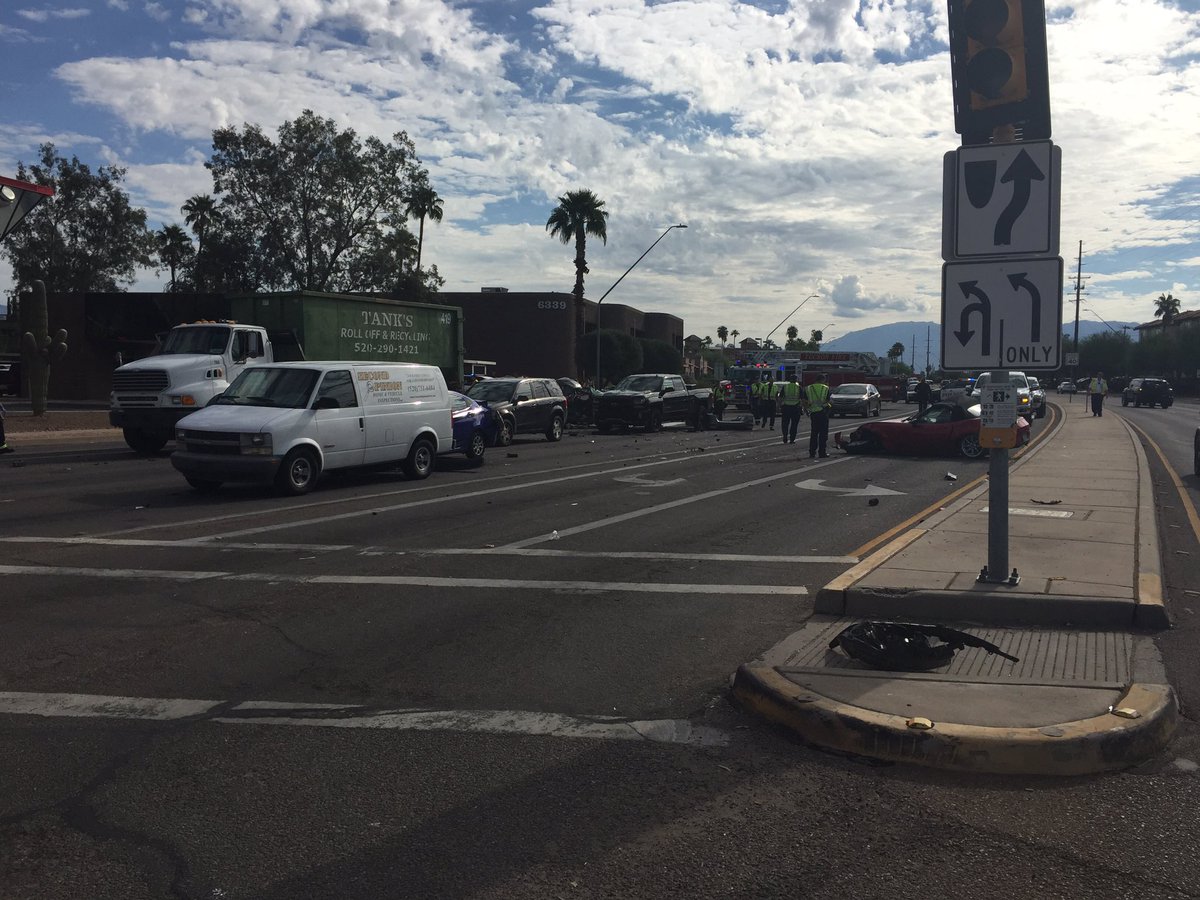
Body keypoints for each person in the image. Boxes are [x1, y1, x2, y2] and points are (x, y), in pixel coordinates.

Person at [804, 373, 831, 458]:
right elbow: (828, 401)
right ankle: (822, 452)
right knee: (823, 434)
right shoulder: (825, 388)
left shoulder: (808, 388)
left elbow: (805, 401)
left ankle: (812, 453)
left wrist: (807, 410)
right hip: (823, 413)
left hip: (813, 413)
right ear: (823, 380)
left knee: (814, 434)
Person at [777, 374, 804, 444]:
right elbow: (802, 399)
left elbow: (780, 398)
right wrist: (802, 407)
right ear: (796, 380)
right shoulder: (799, 387)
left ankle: (785, 436)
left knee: (785, 423)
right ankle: (792, 439)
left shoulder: (785, 387)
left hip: (786, 407)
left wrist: (779, 406)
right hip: (795, 408)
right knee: (794, 424)